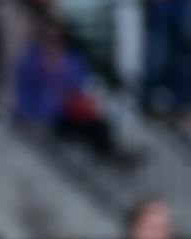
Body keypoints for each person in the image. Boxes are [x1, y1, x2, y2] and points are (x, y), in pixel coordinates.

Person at [11, 17, 116, 156]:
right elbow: (24, 93)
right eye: (47, 36)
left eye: (55, 37)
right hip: (47, 114)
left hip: (67, 109)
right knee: (87, 127)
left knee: (99, 125)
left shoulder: (71, 59)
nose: (51, 41)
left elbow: (79, 85)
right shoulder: (30, 60)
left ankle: (110, 154)